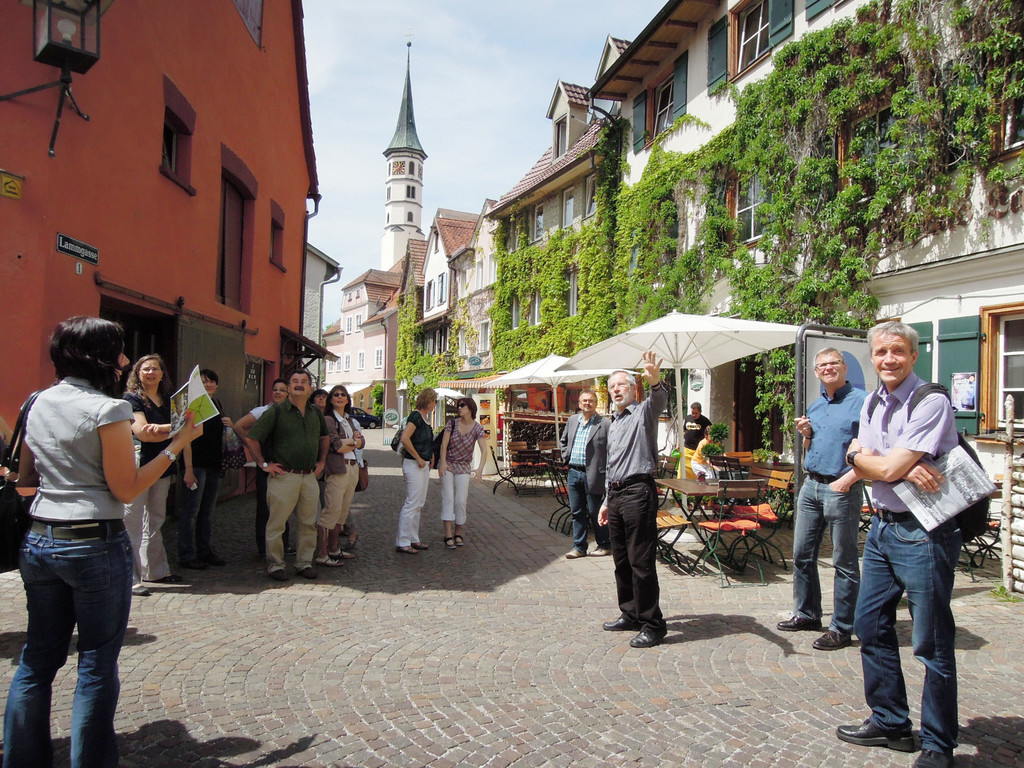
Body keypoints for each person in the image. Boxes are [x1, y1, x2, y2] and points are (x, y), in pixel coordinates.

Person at [3, 316, 202, 768]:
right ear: (100, 357)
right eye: (119, 350)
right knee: (95, 663)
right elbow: (127, 488)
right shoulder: (107, 408)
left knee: (36, 660)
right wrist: (178, 445)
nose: (127, 360)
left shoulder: (36, 401)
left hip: (40, 538)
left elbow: (27, 477)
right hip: (93, 539)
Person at [830, 321, 961, 768]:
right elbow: (865, 458)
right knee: (870, 626)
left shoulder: (932, 401)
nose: (889, 359)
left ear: (913, 354)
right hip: (883, 528)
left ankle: (939, 746)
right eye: (882, 352)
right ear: (872, 356)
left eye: (898, 351)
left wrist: (870, 461)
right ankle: (890, 721)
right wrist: (861, 458)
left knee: (931, 643)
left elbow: (880, 468)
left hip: (925, 531)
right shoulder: (872, 400)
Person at [777, 348, 866, 651]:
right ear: (816, 372)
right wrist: (806, 434)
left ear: (844, 368)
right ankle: (807, 613)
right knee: (802, 555)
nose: (828, 368)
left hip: (841, 488)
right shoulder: (815, 405)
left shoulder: (863, 403)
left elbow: (873, 448)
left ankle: (842, 627)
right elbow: (810, 444)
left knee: (844, 561)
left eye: (834, 364)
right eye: (822, 365)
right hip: (811, 486)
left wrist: (850, 478)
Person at [598, 351, 669, 649]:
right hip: (615, 494)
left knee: (641, 562)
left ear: (632, 388)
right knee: (621, 560)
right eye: (612, 386)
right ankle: (630, 612)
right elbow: (611, 463)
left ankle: (653, 624)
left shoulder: (643, 413)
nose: (616, 389)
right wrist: (604, 500)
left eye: (621, 385)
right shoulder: (612, 422)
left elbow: (660, 402)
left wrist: (655, 381)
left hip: (638, 492)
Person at [244, 370, 329, 581]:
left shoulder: (315, 412)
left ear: (310, 388)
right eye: (295, 381)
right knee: (277, 524)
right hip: (284, 476)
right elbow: (253, 438)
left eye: (304, 382)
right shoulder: (277, 411)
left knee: (308, 523)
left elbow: (324, 437)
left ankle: (304, 563)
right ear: (289, 387)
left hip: (309, 477)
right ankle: (275, 565)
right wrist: (264, 464)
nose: (299, 384)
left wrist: (322, 461)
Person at [123, 353, 181, 594]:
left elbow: (187, 428)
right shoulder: (131, 399)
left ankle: (155, 572)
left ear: (161, 373)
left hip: (164, 466)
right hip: (140, 465)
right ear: (138, 373)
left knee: (156, 521)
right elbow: (143, 433)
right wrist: (174, 428)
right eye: (145, 369)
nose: (150, 372)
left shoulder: (170, 399)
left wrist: (162, 429)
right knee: (131, 522)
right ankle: (131, 578)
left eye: (155, 368)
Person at [178, 368, 233, 570]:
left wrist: (229, 423)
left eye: (211, 381)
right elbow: (185, 440)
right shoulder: (192, 405)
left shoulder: (217, 404)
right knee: (190, 511)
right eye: (204, 381)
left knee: (207, 512)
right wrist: (188, 469)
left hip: (214, 465)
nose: (208, 384)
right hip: (197, 466)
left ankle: (204, 550)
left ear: (216, 385)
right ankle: (186, 555)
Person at [233, 378, 289, 555]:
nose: (278, 392)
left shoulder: (291, 413)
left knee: (284, 508)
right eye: (275, 389)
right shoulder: (263, 411)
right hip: (265, 465)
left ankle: (283, 545)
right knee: (265, 508)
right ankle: (263, 548)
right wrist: (252, 446)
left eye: (282, 390)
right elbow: (239, 426)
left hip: (285, 467)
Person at [315, 385, 364, 566]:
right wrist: (354, 441)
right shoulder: (329, 420)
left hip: (352, 468)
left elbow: (362, 442)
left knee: (342, 513)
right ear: (331, 399)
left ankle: (334, 549)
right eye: (336, 395)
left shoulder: (348, 419)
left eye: (343, 395)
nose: (340, 397)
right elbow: (337, 446)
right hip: (337, 469)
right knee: (331, 511)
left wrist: (352, 442)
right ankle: (322, 553)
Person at [559, 389, 610, 559]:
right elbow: (564, 440)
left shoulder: (605, 423)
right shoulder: (573, 420)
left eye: (591, 400)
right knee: (576, 512)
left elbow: (611, 449)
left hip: (594, 474)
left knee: (596, 511)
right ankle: (579, 547)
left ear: (596, 403)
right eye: (584, 400)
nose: (587, 403)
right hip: (574, 472)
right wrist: (565, 456)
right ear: (579, 403)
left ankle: (604, 544)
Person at [437, 398, 486, 549]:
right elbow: (444, 444)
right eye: (458, 405)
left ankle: (458, 532)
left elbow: (484, 450)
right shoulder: (451, 424)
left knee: (460, 500)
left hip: (464, 466)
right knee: (448, 498)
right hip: (449, 464)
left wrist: (479, 469)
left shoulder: (478, 428)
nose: (459, 408)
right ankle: (448, 534)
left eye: (462, 405)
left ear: (470, 408)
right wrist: (443, 462)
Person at [395, 388, 437, 554]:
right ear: (427, 400)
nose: (435, 404)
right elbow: (405, 438)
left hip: (423, 465)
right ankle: (403, 541)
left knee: (419, 503)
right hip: (414, 464)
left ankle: (414, 538)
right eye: (434, 400)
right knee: (412, 502)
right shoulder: (416, 416)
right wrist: (418, 457)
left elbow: (425, 441)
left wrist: (430, 455)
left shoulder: (425, 418)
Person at [682, 402, 712, 478]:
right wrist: (679, 443)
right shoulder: (688, 418)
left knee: (698, 472)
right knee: (685, 470)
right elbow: (684, 431)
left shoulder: (705, 421)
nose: (694, 415)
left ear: (700, 412)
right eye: (692, 413)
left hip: (698, 451)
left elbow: (710, 432)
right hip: (687, 449)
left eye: (696, 413)